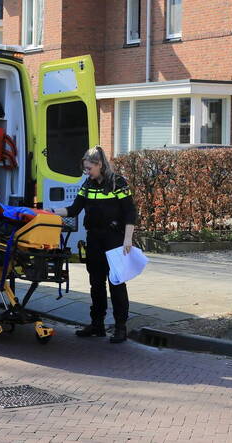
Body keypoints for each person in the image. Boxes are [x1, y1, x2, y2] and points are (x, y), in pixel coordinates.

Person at [54, 146, 137, 343]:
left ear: (100, 165)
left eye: (89, 168)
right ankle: (97, 324)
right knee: (96, 283)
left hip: (114, 239)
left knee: (116, 283)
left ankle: (120, 327)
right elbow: (74, 209)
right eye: (85, 169)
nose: (87, 172)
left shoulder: (118, 183)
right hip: (94, 239)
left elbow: (130, 212)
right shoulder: (88, 184)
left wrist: (128, 238)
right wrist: (50, 211)